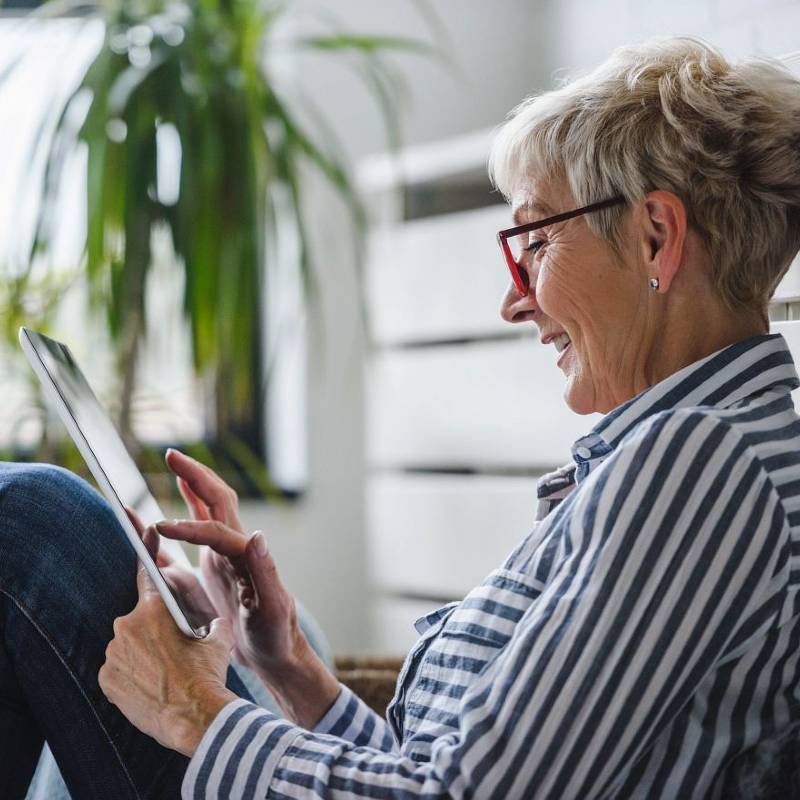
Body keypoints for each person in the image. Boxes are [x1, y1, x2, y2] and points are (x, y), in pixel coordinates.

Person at [3, 35, 800, 799]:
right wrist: (287, 670)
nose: (514, 298)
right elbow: (448, 770)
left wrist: (196, 711)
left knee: (32, 518)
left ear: (657, 237)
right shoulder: (690, 453)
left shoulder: (701, 463)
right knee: (169, 583)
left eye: (535, 242)